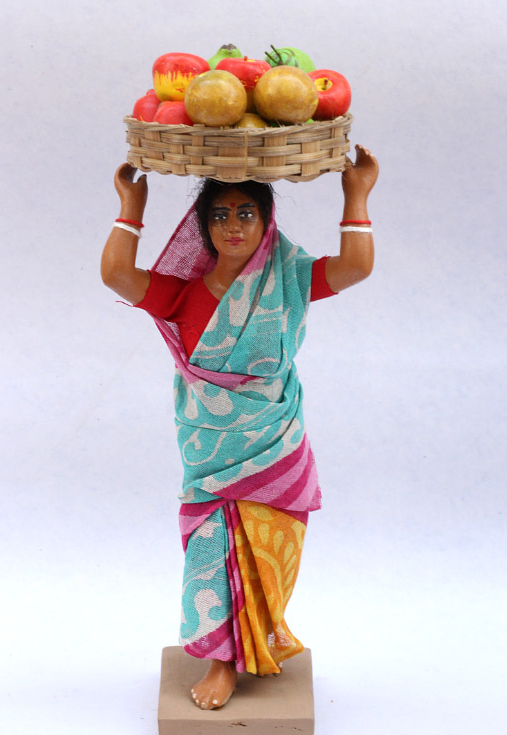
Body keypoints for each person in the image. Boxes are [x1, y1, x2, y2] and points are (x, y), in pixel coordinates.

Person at [101, 146, 379, 710]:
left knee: (265, 557)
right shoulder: (180, 293)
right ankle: (221, 661)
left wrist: (356, 195)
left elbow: (355, 267)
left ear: (266, 220)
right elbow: (115, 276)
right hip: (209, 454)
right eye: (220, 215)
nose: (233, 226)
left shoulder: (289, 278)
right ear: (202, 226)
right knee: (210, 553)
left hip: (275, 449)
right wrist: (131, 206)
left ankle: (250, 647)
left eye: (245, 213)